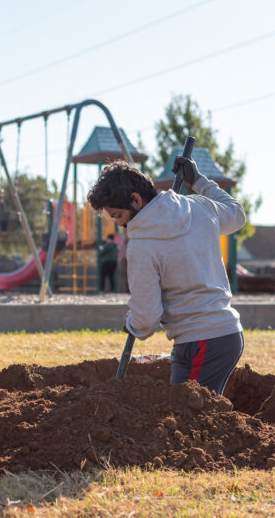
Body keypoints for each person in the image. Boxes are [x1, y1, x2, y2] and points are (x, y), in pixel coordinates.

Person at [87, 158, 246, 394]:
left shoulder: (141, 246)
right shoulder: (199, 207)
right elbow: (236, 214)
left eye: (118, 216)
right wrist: (200, 182)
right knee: (201, 417)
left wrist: (131, 323)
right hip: (228, 334)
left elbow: (147, 318)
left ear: (136, 200)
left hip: (200, 341)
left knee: (189, 421)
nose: (120, 225)